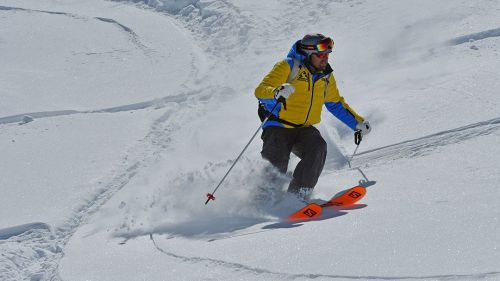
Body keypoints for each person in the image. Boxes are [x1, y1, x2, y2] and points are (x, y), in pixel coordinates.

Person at [254, 33, 371, 200]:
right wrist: (276, 92)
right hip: (278, 126)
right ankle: (262, 201)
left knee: (317, 148)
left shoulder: (326, 76)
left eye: (328, 54)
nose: (326, 58)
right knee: (276, 165)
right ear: (308, 54)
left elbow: (335, 103)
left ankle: (298, 196)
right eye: (321, 55)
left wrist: (357, 123)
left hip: (304, 129)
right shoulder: (288, 66)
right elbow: (260, 90)